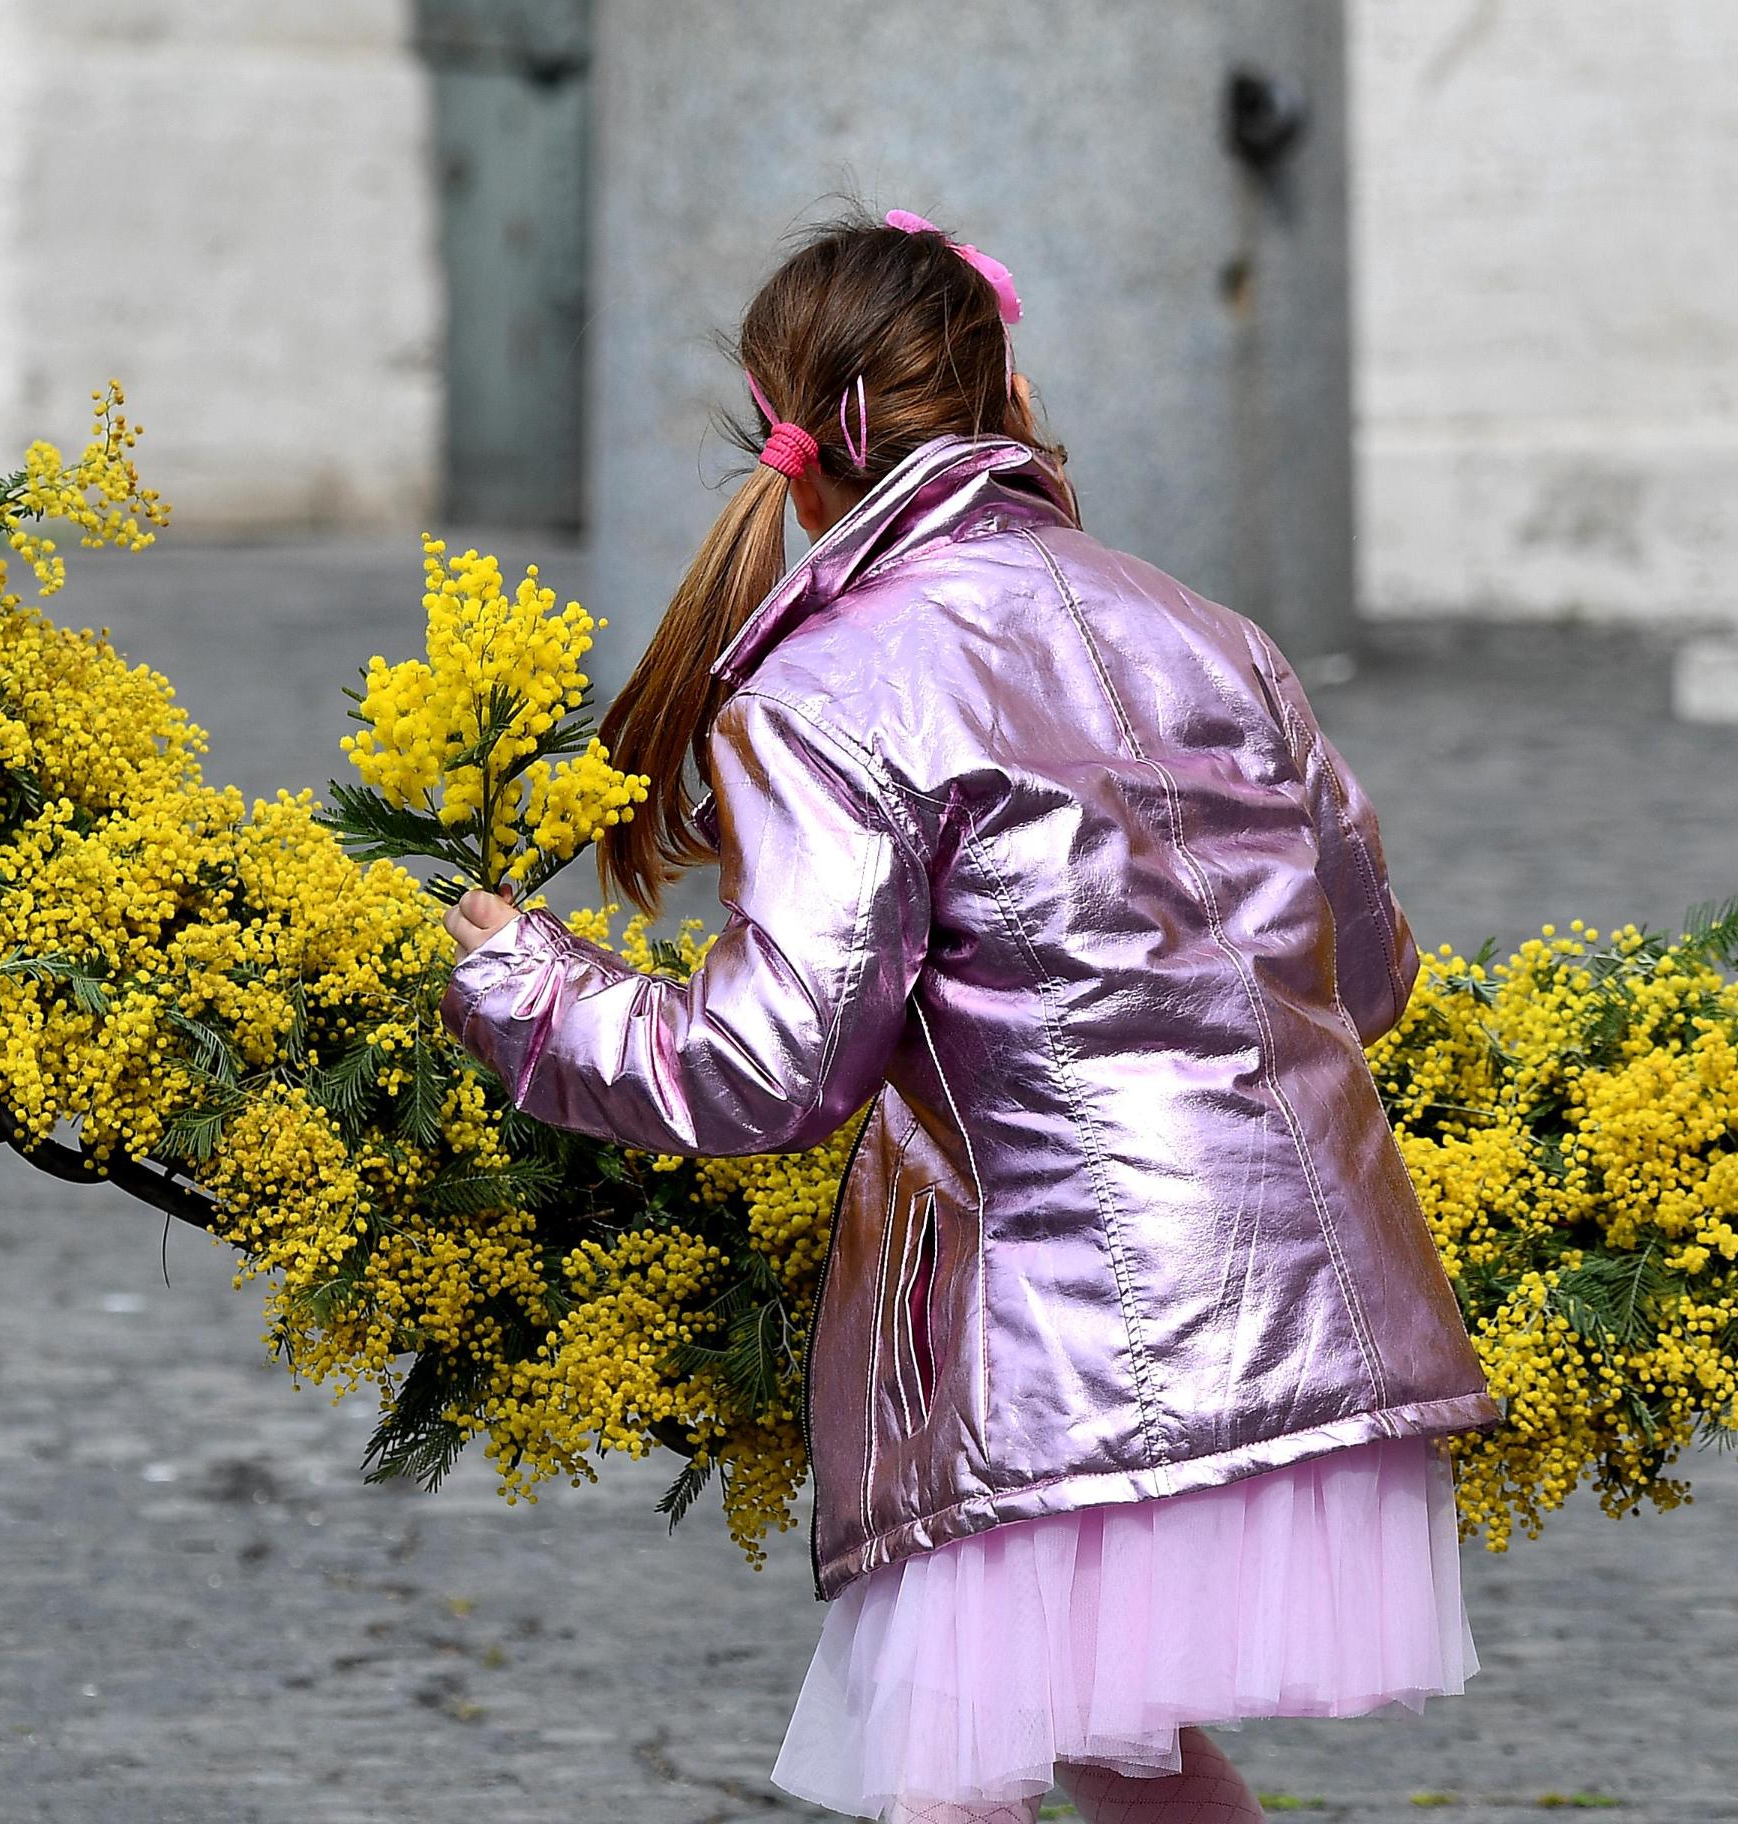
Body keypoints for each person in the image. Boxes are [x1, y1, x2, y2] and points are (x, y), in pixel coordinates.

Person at [441, 208, 1494, 1824]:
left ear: (792, 450)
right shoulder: (1211, 631)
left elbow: (763, 1065)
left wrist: (520, 983)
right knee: (1119, 1746)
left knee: (961, 1759)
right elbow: (1368, 971)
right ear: (1004, 389)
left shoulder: (829, 684)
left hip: (1058, 1322)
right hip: (1305, 1293)